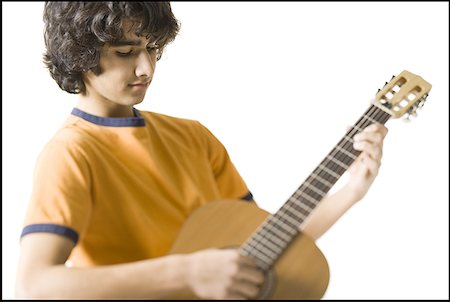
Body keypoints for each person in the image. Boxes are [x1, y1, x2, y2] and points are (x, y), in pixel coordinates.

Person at [15, 2, 388, 300]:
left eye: (152, 49)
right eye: (126, 51)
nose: (146, 67)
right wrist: (188, 273)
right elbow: (34, 287)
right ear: (79, 55)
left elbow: (260, 250)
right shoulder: (70, 153)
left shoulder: (193, 137)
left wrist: (351, 191)